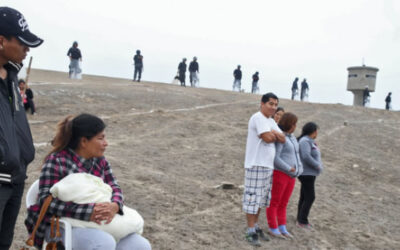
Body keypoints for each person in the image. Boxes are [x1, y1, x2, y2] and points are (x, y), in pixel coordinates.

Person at [24, 114, 151, 250]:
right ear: (84, 141)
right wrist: (89, 212)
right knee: (103, 243)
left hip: (99, 223)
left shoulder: (100, 161)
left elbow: (115, 186)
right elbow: (46, 202)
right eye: (100, 138)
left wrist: (115, 205)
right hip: (61, 225)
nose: (106, 143)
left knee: (140, 245)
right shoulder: (57, 161)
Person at [0, 6, 43, 249]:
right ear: (1, 41)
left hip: (15, 178)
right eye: (23, 42)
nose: (28, 49)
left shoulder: (12, 75)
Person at [242, 93, 285, 246]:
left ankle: (256, 226)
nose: (273, 107)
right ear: (262, 103)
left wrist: (272, 133)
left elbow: (283, 138)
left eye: (275, 104)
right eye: (271, 104)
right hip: (256, 164)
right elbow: (267, 138)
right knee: (252, 199)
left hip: (267, 166)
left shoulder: (270, 121)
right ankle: (250, 230)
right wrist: (273, 134)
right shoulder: (258, 118)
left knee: (261, 200)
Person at [267, 112, 303, 238]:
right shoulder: (281, 138)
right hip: (280, 174)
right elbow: (276, 158)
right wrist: (289, 168)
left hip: (291, 176)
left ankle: (282, 226)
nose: (295, 126)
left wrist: (299, 169)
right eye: (294, 124)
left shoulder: (292, 137)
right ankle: (273, 227)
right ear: (289, 124)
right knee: (274, 202)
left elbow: (296, 154)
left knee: (284, 203)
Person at [297, 122, 323, 229]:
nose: (317, 132)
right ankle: (302, 221)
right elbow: (306, 156)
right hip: (306, 173)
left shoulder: (310, 141)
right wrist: (317, 165)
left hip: (310, 173)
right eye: (316, 130)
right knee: (310, 197)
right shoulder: (305, 141)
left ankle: (299, 218)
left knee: (304, 196)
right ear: (312, 131)